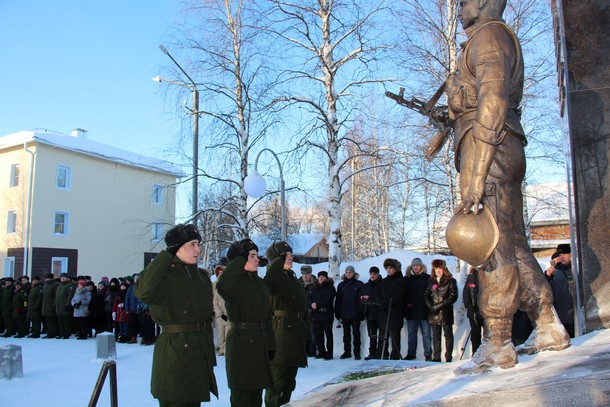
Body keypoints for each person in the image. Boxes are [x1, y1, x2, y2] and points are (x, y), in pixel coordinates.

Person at [437, 0, 570, 373]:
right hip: (497, 148)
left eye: (464, 2)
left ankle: (497, 342)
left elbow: (492, 102)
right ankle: (547, 324)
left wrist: (477, 172)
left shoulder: (490, 36)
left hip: (489, 150)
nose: (460, 9)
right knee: (511, 242)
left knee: (490, 245)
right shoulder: (487, 38)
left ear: (480, 3)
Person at [134, 223, 218, 406]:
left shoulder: (201, 277)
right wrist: (166, 255)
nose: (198, 249)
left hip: (198, 351)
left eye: (198, 244)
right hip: (175, 352)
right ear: (177, 248)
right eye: (192, 244)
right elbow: (145, 292)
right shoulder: (164, 275)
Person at [217, 238, 275, 407]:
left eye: (257, 255)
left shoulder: (258, 282)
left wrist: (270, 344)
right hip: (241, 344)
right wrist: (240, 259)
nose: (257, 259)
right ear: (239, 259)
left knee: (256, 395)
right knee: (242, 395)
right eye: (252, 256)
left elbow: (267, 316)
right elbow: (224, 286)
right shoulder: (234, 283)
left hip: (260, 342)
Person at [264, 241, 310, 407]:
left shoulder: (291, 277)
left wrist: (307, 333)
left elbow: (302, 307)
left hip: (295, 333)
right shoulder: (274, 276)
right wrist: (277, 261)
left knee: (289, 383)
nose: (291, 257)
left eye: (290, 254)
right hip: (280, 334)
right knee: (278, 381)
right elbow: (269, 281)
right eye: (286, 255)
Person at [424, 259, 458, 362]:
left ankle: (448, 357)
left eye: (440, 269)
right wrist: (431, 306)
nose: (438, 271)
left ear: (444, 269)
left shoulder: (450, 280)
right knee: (436, 336)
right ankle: (436, 357)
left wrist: (438, 306)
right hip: (434, 313)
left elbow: (452, 297)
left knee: (448, 335)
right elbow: (426, 295)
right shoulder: (431, 281)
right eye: (436, 269)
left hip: (445, 312)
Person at [404, 258, 432, 361]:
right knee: (411, 334)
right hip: (411, 311)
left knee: (426, 334)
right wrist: (406, 306)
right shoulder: (407, 279)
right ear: (411, 267)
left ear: (421, 267)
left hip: (424, 311)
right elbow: (404, 294)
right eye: (414, 265)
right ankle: (411, 353)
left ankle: (428, 354)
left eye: (417, 265)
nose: (415, 267)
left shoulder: (427, 278)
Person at [377, 259, 406, 360]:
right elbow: (379, 293)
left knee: (395, 337)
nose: (389, 270)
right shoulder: (384, 281)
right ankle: (382, 354)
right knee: (382, 336)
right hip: (384, 313)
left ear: (396, 269)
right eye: (387, 268)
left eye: (391, 268)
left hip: (395, 313)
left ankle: (395, 356)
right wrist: (382, 302)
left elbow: (399, 295)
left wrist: (389, 301)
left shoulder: (401, 281)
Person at [545, 244, 575, 338]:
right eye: (560, 254)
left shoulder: (574, 270)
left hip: (573, 318)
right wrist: (547, 275)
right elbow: (543, 288)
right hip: (559, 319)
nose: (561, 257)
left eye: (565, 254)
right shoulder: (555, 272)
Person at [335, 265, 364, 360]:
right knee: (346, 334)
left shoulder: (359, 284)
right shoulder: (341, 285)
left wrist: (361, 312)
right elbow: (338, 300)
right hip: (345, 313)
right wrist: (337, 312)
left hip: (355, 313)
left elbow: (361, 300)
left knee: (356, 334)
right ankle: (347, 352)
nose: (348, 274)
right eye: (347, 272)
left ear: (354, 273)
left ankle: (357, 353)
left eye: (350, 272)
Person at [308, 271, 336, 360]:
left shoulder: (330, 288)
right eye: (319, 277)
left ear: (326, 278)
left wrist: (317, 304)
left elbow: (328, 299)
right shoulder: (314, 288)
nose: (321, 278)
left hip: (326, 314)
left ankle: (329, 352)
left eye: (323, 277)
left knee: (328, 334)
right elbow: (308, 298)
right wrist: (311, 304)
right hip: (316, 315)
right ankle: (321, 351)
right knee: (318, 334)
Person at [360, 266, 383, 360]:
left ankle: (381, 352)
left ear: (378, 274)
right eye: (371, 274)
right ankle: (372, 352)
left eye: (374, 274)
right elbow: (361, 298)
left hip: (381, 313)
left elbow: (382, 298)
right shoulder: (366, 286)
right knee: (372, 334)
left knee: (381, 335)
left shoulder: (382, 284)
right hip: (370, 313)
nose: (373, 276)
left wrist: (370, 298)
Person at [463, 267, 485, 355]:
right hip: (473, 312)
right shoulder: (471, 276)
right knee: (475, 335)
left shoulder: (486, 274)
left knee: (488, 335)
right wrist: (469, 305)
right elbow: (466, 293)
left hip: (485, 311)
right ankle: (476, 354)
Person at [299, 265, 317, 357]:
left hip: (312, 313)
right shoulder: (297, 284)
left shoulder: (315, 284)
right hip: (300, 313)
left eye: (307, 274)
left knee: (312, 332)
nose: (305, 276)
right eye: (303, 274)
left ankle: (312, 350)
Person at [212, 264, 229, 356]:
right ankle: (221, 349)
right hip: (219, 315)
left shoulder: (229, 287)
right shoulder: (216, 286)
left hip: (228, 314)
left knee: (227, 333)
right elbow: (215, 302)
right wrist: (219, 313)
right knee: (220, 334)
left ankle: (226, 349)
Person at [55, 273, 75, 339]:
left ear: (67, 278)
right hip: (59, 306)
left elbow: (70, 296)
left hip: (65, 306)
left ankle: (67, 333)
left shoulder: (69, 286)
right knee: (60, 321)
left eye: (64, 277)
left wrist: (67, 304)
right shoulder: (59, 286)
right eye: (61, 277)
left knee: (66, 321)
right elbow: (57, 297)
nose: (62, 278)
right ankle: (61, 333)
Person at [42, 273, 59, 339]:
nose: (47, 279)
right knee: (47, 321)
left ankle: (53, 333)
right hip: (45, 306)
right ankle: (49, 332)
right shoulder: (45, 286)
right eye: (46, 278)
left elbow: (56, 296)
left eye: (49, 278)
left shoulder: (54, 286)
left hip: (51, 306)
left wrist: (54, 305)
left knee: (52, 321)